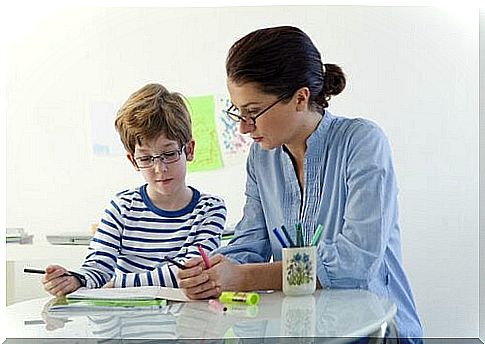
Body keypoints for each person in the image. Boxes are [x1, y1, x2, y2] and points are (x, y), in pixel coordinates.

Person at [177, 26, 423, 340]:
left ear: (300, 98)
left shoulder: (362, 142)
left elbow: (354, 265)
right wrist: (213, 271)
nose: (242, 127)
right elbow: (249, 244)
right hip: (298, 330)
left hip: (377, 331)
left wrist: (242, 277)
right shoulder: (261, 158)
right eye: (237, 112)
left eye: (253, 112)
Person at [42, 83, 226, 296]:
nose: (160, 169)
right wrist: (74, 280)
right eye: (146, 158)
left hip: (186, 321)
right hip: (127, 320)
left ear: (189, 150)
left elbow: (188, 273)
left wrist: (117, 285)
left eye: (169, 154)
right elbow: (97, 267)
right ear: (133, 161)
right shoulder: (122, 207)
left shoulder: (210, 209)